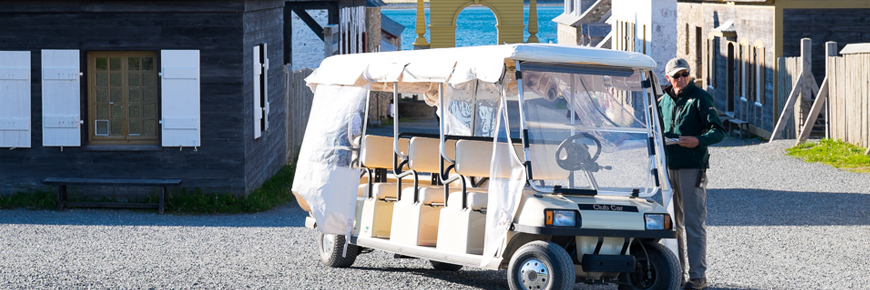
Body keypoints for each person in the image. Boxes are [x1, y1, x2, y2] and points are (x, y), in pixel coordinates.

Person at [658, 58, 725, 290]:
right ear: (668, 78)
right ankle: (679, 274)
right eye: (676, 75)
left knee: (694, 224)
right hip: (667, 168)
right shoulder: (663, 101)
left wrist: (698, 140)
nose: (681, 79)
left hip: (692, 168)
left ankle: (698, 277)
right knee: (670, 225)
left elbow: (719, 131)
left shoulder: (700, 97)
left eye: (684, 74)